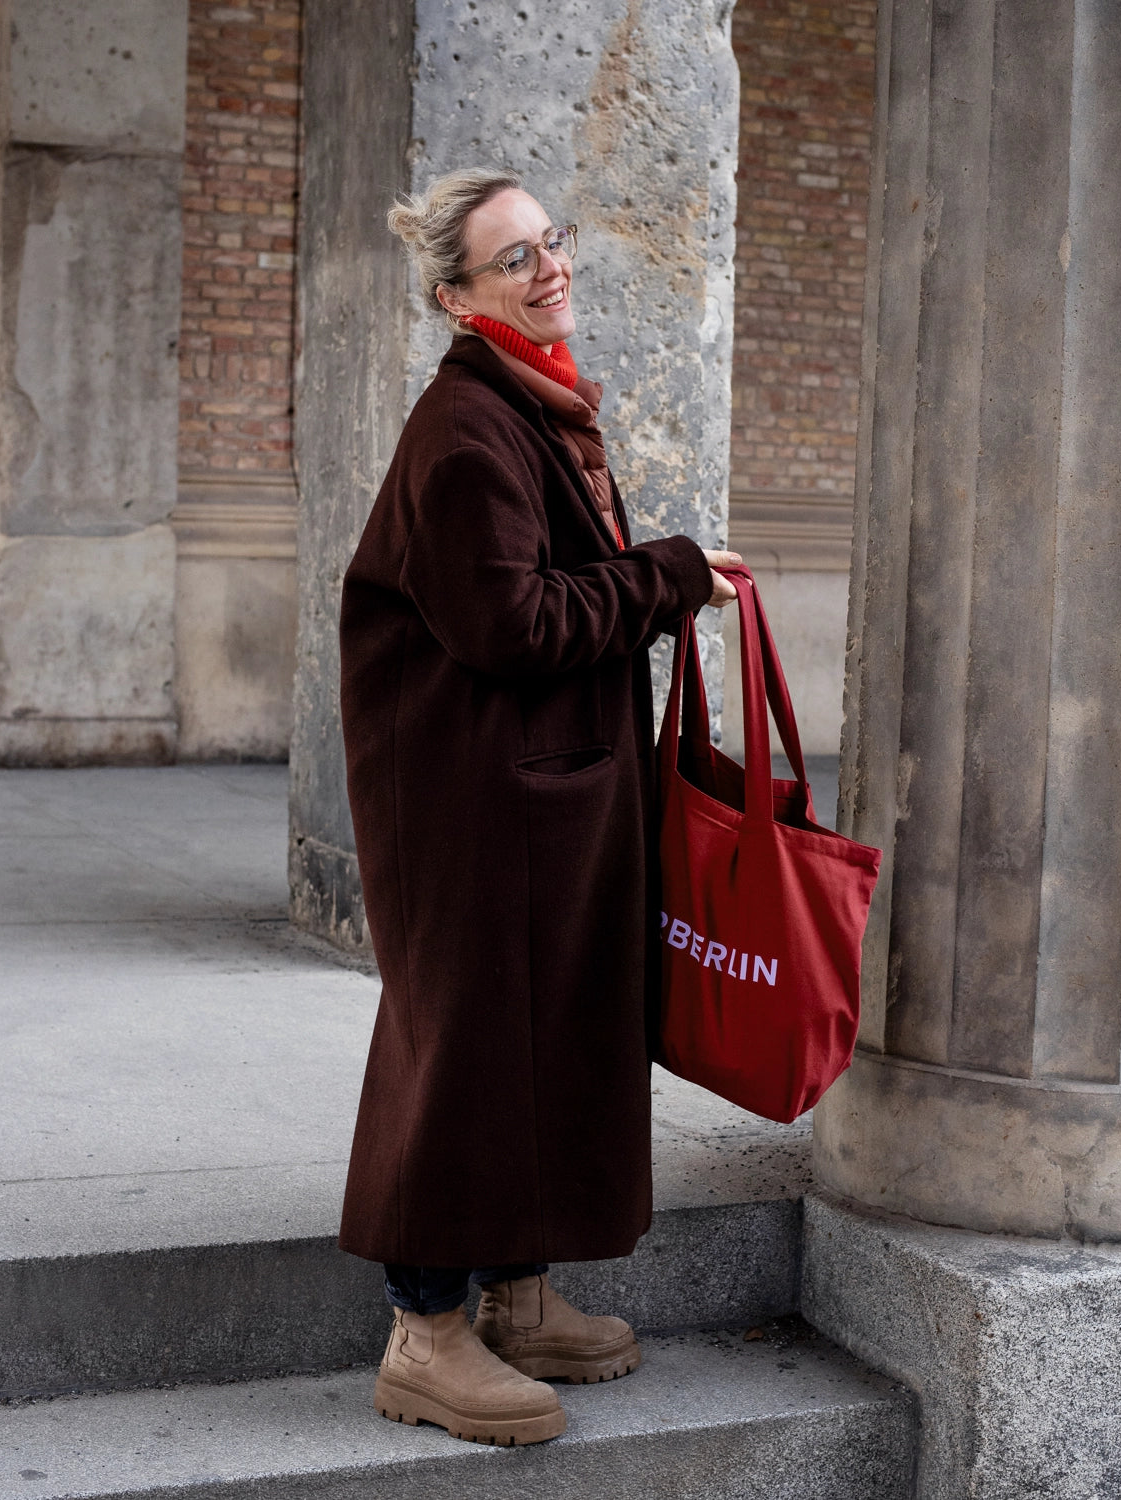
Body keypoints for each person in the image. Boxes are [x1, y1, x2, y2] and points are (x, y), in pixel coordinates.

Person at [337, 166, 739, 1447]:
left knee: (543, 1037)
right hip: (471, 810)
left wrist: (661, 576)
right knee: (466, 1050)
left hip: (535, 794)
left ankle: (515, 1297)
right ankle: (424, 1334)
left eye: (550, 240)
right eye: (513, 257)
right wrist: (666, 578)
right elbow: (508, 624)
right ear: (458, 299)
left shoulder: (532, 404)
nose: (550, 265)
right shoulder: (466, 432)